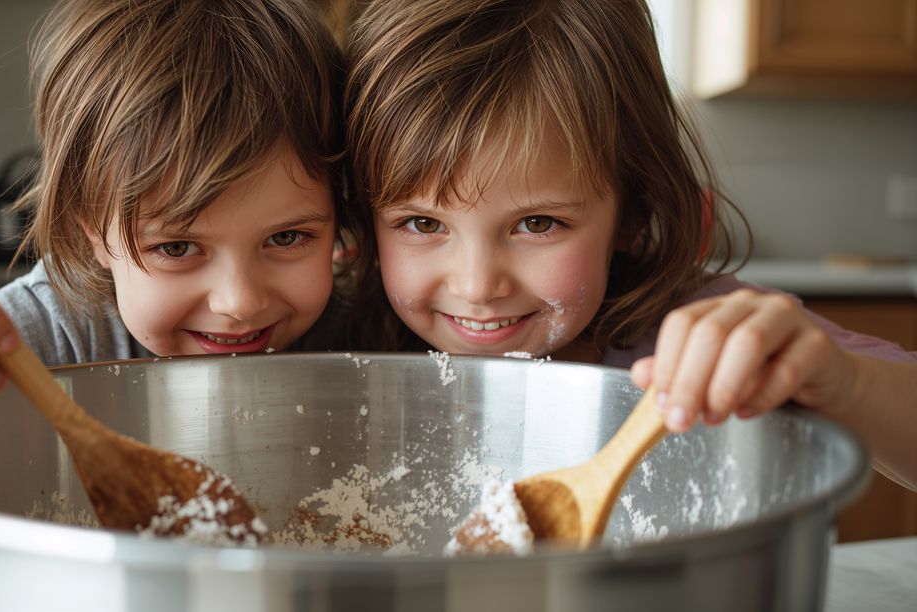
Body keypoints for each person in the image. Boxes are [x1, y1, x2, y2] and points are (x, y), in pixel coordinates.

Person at [342, 0, 917, 489]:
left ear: (631, 213)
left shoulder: (686, 337)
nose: (477, 285)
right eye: (421, 224)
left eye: (539, 224)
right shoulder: (342, 348)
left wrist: (844, 380)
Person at [0, 0, 358, 409]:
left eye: (288, 238)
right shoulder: (39, 338)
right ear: (91, 231)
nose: (239, 303)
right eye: (176, 246)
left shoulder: (361, 322)